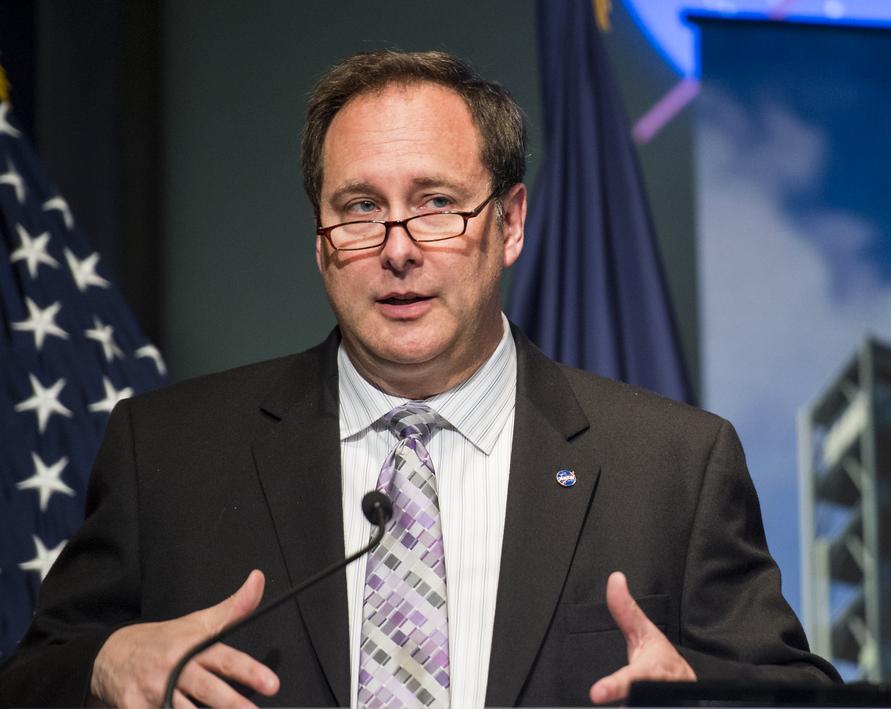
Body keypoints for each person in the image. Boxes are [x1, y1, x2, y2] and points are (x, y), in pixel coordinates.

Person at [0, 50, 836, 707]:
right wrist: (106, 666)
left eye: (436, 202)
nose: (398, 247)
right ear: (321, 238)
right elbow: (32, 674)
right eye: (360, 207)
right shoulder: (170, 453)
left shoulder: (673, 467)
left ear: (509, 223)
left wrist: (706, 704)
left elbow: (802, 700)